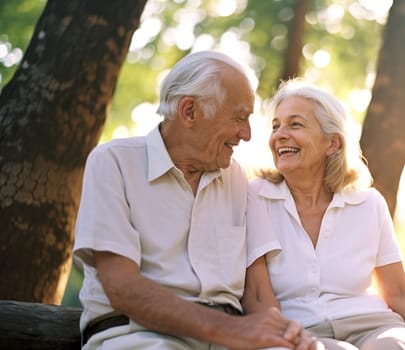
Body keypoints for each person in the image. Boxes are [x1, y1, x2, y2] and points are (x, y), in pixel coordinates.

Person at [73, 51, 318, 350]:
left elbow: (255, 292)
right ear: (189, 112)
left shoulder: (236, 178)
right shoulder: (114, 162)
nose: (247, 134)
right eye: (239, 118)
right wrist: (232, 330)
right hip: (139, 335)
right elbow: (122, 287)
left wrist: (282, 335)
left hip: (229, 339)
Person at [247, 80, 405, 350]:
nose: (279, 135)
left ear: (332, 144)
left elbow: (397, 288)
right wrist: (286, 336)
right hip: (298, 330)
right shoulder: (255, 198)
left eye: (295, 124)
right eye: (276, 126)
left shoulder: (368, 203)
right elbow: (255, 294)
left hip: (373, 323)